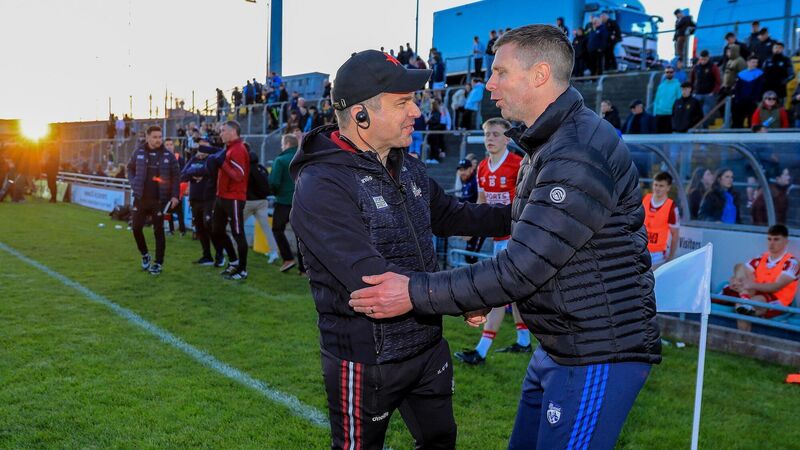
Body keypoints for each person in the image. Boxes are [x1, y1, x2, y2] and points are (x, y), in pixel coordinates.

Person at [348, 26, 660, 450]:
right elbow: (539, 251)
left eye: (500, 72)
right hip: (561, 344)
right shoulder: (549, 143)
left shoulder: (576, 151)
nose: (489, 84)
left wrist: (413, 292)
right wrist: (479, 294)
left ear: (539, 75)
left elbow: (522, 267)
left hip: (596, 350)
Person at [290, 49, 512, 450]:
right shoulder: (321, 183)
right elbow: (373, 278)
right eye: (402, 102)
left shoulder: (406, 165)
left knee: (441, 440)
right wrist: (461, 296)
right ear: (361, 114)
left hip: (427, 347)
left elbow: (454, 215)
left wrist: (528, 215)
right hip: (367, 359)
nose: (416, 112)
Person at [454, 117, 530, 366]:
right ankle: (524, 342)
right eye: (487, 134)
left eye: (496, 134)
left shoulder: (519, 164)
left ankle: (481, 351)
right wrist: (471, 229)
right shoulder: (483, 168)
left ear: (507, 139)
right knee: (515, 294)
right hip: (499, 238)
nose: (490, 139)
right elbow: (482, 203)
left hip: (518, 237)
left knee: (499, 292)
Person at [126, 126, 180, 276]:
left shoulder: (168, 155)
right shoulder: (139, 152)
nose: (158, 140)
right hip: (140, 198)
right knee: (136, 228)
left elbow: (176, 176)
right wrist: (133, 182)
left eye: (160, 137)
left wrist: (175, 195)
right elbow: (130, 168)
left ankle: (158, 263)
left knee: (158, 231)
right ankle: (145, 254)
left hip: (159, 200)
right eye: (155, 137)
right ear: (148, 137)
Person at [723, 224, 798, 332]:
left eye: (776, 239)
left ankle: (744, 336)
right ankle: (745, 301)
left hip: (778, 300)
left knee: (745, 306)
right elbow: (741, 269)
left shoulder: (792, 262)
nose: (771, 243)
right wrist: (734, 280)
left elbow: (776, 287)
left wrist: (750, 285)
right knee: (740, 268)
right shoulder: (761, 258)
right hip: (756, 294)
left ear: (786, 241)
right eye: (769, 239)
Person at [210, 121, 250, 280]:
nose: (220, 134)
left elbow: (238, 176)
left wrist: (222, 163)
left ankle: (242, 270)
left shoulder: (239, 149)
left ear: (233, 131)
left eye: (223, 131)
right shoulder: (229, 148)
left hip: (234, 197)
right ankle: (233, 261)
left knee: (238, 233)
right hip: (222, 196)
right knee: (216, 230)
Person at [181, 139, 224, 266]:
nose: (202, 149)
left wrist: (195, 172)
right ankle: (207, 256)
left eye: (205, 146)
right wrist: (193, 173)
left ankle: (220, 255)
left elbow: (208, 171)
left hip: (209, 200)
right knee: (200, 229)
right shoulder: (193, 159)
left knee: (210, 226)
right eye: (200, 146)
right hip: (195, 199)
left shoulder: (213, 159)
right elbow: (183, 175)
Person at [269, 133, 303, 274]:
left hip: (283, 201)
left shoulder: (281, 159)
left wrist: (277, 193)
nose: (282, 146)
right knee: (301, 235)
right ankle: (304, 269)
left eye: (283, 143)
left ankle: (288, 258)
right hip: (301, 202)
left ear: (288, 144)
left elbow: (274, 182)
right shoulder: (303, 158)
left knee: (277, 229)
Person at [244, 149, 280, 264]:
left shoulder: (246, 169)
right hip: (262, 202)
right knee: (266, 229)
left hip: (248, 202)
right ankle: (274, 252)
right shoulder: (262, 169)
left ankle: (231, 249)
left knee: (237, 226)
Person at [643, 172, 680, 269]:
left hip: (658, 254)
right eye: (655, 185)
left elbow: (675, 234)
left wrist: (671, 257)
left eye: (661, 186)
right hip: (641, 250)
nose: (657, 188)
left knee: (652, 277)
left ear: (668, 187)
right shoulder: (645, 199)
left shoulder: (671, 207)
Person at [732, 56, 766, 128]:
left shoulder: (760, 74)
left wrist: (756, 99)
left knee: (752, 119)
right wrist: (737, 99)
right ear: (748, 63)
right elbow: (737, 88)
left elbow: (760, 88)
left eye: (756, 62)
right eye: (753, 62)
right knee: (738, 120)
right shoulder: (741, 74)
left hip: (753, 101)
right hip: (741, 101)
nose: (755, 64)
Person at [690, 50, 721, 118]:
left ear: (708, 58)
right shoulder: (696, 67)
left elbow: (718, 81)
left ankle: (706, 124)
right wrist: (692, 92)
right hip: (698, 93)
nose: (703, 61)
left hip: (708, 94)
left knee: (706, 113)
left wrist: (713, 92)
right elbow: (691, 80)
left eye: (705, 59)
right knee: (696, 114)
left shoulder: (713, 67)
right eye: (701, 59)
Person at [653, 67, 682, 133]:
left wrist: (677, 113)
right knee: (658, 135)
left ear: (674, 73)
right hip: (659, 114)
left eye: (671, 72)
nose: (669, 73)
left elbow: (679, 99)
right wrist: (655, 112)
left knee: (669, 135)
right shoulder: (661, 86)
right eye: (667, 72)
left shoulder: (677, 85)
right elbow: (656, 100)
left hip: (670, 114)